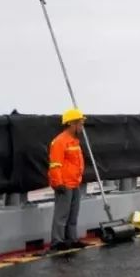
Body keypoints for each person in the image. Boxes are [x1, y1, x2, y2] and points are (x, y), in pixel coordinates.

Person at [48, 107, 89, 251]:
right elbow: (55, 164)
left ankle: (71, 239)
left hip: (74, 183)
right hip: (64, 184)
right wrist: (58, 183)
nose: (82, 126)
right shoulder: (59, 142)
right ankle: (57, 241)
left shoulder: (74, 141)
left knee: (73, 214)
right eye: (80, 123)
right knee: (61, 215)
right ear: (72, 123)